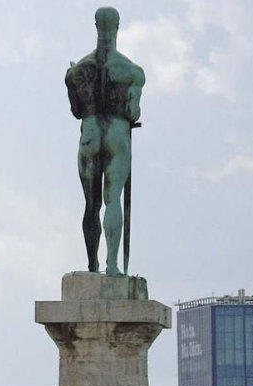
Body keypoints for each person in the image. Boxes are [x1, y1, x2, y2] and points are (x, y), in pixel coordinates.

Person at [65, 6, 145, 276]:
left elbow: (77, 111)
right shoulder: (132, 71)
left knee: (91, 204)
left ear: (96, 25)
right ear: (117, 26)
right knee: (113, 201)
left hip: (89, 132)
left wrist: (71, 80)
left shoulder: (77, 72)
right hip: (117, 132)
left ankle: (93, 265)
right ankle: (111, 265)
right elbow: (133, 111)